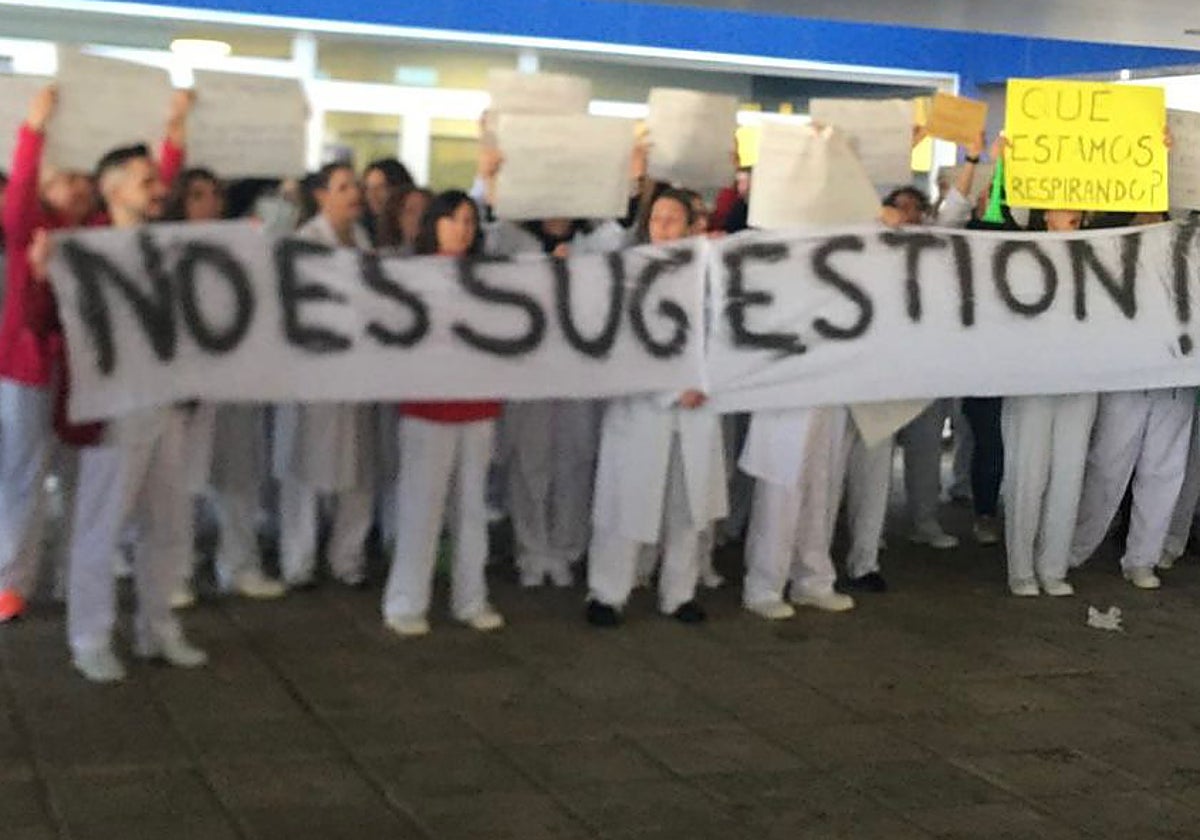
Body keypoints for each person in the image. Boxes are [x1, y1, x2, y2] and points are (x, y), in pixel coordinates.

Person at [0, 86, 185, 624]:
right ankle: (11, 580)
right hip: (27, 368)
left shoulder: (97, 234)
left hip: (79, 374)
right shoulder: (29, 232)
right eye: (67, 180)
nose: (80, 189)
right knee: (23, 474)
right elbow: (17, 204)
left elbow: (150, 200)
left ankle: (65, 575)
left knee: (83, 476)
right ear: (43, 185)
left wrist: (172, 136)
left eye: (86, 180)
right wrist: (34, 130)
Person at [39, 141, 206, 682]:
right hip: (113, 407)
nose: (158, 190)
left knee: (168, 523)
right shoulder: (81, 248)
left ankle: (158, 628)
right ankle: (90, 635)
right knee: (101, 526)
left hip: (166, 402)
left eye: (157, 181)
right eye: (145, 182)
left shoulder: (170, 248)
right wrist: (43, 275)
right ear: (112, 190)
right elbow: (40, 320)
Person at [585, 188, 725, 627]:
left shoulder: (708, 273)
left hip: (697, 409)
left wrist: (704, 383)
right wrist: (670, 390)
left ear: (690, 225)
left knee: (687, 509)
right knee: (626, 506)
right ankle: (607, 592)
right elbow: (625, 349)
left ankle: (679, 592)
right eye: (657, 218)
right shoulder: (631, 275)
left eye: (673, 219)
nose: (664, 227)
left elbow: (727, 334)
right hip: (643, 409)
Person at [382, 190, 505, 637]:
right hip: (427, 408)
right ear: (434, 224)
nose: (462, 228)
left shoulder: (488, 278)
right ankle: (405, 602)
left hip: (478, 406)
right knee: (421, 508)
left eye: (469, 220)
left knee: (473, 508)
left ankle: (470, 598)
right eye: (453, 219)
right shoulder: (412, 277)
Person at [165, 169, 286, 604]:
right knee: (181, 485)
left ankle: (238, 564)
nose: (209, 203)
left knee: (238, 477)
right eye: (197, 195)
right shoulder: (166, 249)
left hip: (233, 379)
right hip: (187, 384)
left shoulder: (240, 244)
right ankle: (174, 572)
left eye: (215, 195)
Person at [1070, 211, 1195, 590]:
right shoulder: (1116, 233)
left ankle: (1143, 558)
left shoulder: (1188, 238)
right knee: (1108, 465)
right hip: (1128, 375)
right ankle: (1077, 546)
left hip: (1178, 377)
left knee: (1164, 472)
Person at [273, 163, 376, 589]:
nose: (354, 194)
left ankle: (347, 558)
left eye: (355, 186)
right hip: (315, 369)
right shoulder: (304, 243)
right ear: (320, 196)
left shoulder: (364, 239)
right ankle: (298, 561)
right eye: (343, 187)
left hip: (361, 368)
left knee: (360, 468)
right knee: (306, 468)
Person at [1001, 208, 1095, 597]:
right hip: (1033, 379)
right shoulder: (1020, 253)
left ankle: (1053, 566)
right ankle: (1021, 568)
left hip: (1084, 376)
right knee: (1028, 473)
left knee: (1069, 474)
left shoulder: (1098, 254)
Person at [361, 157, 414, 245]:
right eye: (368, 188)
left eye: (381, 187)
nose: (372, 195)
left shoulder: (412, 228)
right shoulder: (361, 232)